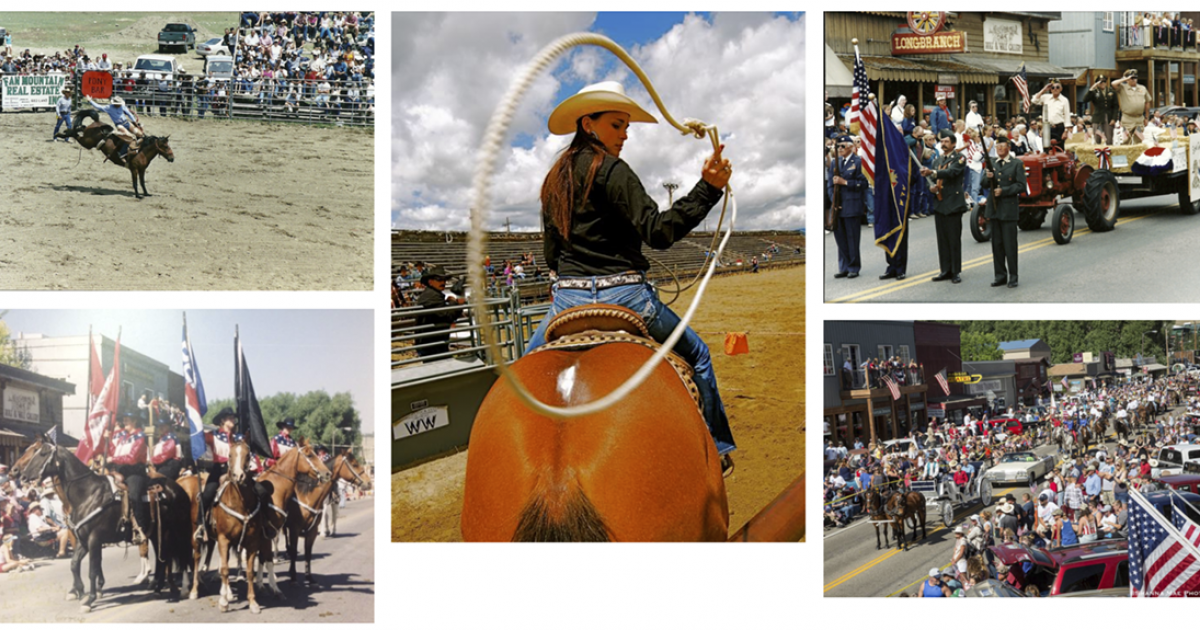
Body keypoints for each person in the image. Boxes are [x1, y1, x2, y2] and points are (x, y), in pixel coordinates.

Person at [523, 80, 737, 473]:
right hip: (626, 296)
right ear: (589, 124)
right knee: (699, 355)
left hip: (566, 300)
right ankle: (717, 448)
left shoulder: (555, 179)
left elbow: (551, 254)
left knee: (521, 374)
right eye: (617, 125)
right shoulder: (614, 171)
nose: (624, 135)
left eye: (626, 127)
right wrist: (707, 190)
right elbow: (657, 232)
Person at [921, 129, 967, 284]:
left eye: (947, 141)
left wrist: (933, 173)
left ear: (954, 143)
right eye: (942, 142)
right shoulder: (937, 160)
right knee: (942, 239)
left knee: (954, 239)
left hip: (953, 204)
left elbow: (951, 173)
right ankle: (945, 270)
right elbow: (932, 182)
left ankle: (955, 271)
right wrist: (931, 188)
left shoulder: (959, 158)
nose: (944, 144)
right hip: (940, 203)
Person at [984, 135, 1026, 288]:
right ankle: (1000, 275)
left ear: (1008, 147)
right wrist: (988, 177)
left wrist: (1005, 191)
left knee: (1010, 245)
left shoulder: (1016, 164)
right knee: (997, 245)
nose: (1000, 149)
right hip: (994, 209)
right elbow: (983, 183)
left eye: (1002, 147)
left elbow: (1021, 186)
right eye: (997, 147)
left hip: (1008, 209)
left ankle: (1013, 276)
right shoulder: (992, 163)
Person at [107, 412, 150, 544]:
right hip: (120, 470)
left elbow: (132, 458)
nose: (125, 421)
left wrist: (113, 459)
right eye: (124, 419)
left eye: (128, 419)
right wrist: (107, 440)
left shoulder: (141, 437)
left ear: (135, 421)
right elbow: (115, 452)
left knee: (134, 495)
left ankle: (139, 527)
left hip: (135, 471)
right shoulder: (123, 437)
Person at [828, 134, 865, 279]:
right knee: (840, 238)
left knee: (852, 238)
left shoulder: (858, 162)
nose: (840, 149)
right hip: (838, 206)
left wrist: (845, 183)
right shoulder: (835, 163)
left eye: (843, 146)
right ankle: (843, 267)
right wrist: (834, 200)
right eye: (838, 146)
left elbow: (863, 184)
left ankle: (854, 267)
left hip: (852, 204)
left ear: (851, 147)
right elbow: (830, 185)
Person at [197, 407, 238, 534]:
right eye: (230, 418)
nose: (233, 420)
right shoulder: (213, 436)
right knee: (207, 494)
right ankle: (201, 524)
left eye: (233, 418)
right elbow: (199, 436)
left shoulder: (238, 437)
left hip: (236, 470)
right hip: (219, 469)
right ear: (222, 421)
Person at [414, 265, 465, 363]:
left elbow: (443, 313)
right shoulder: (432, 297)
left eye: (444, 280)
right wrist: (454, 302)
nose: (443, 282)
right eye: (439, 279)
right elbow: (448, 316)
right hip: (431, 343)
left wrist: (452, 303)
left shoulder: (432, 294)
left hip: (432, 341)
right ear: (430, 281)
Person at [84, 94, 144, 158]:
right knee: (129, 137)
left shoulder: (122, 106)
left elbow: (129, 114)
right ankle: (122, 152)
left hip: (127, 123)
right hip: (120, 125)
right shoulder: (109, 107)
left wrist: (134, 122)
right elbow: (99, 107)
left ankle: (138, 147)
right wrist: (90, 101)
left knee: (140, 134)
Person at [1113, 69, 1151, 145]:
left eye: (1135, 78)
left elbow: (1147, 102)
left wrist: (1146, 117)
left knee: (1139, 141)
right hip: (1128, 118)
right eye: (1132, 78)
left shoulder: (1142, 88)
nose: (1134, 80)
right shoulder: (1122, 87)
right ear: (1127, 79)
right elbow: (1113, 83)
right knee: (1125, 140)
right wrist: (1125, 79)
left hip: (1139, 118)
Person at [1033, 82, 1070, 148]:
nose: (1055, 89)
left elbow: (1067, 116)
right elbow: (1034, 100)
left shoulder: (1064, 100)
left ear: (1061, 89)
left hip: (1059, 128)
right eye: (1053, 87)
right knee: (1046, 149)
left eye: (1057, 87)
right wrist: (1044, 90)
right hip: (1047, 127)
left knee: (1059, 149)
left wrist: (1066, 131)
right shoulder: (1045, 97)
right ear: (1051, 89)